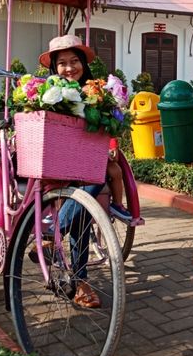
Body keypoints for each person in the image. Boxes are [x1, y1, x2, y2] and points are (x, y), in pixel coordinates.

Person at [35, 35, 129, 308]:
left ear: (83, 64)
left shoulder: (96, 93)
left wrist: (111, 145)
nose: (69, 68)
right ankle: (78, 277)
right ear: (54, 68)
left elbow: (107, 128)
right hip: (55, 167)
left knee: (86, 201)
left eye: (74, 61)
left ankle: (69, 262)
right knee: (84, 199)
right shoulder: (46, 94)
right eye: (62, 63)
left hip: (86, 166)